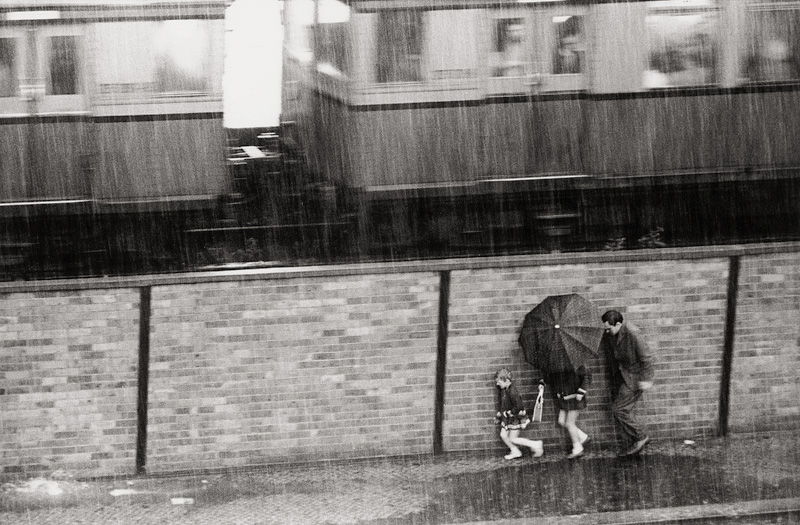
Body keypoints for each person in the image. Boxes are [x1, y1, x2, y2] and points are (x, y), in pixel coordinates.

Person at [601, 310, 655, 457]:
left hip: (634, 378)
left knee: (619, 409)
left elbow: (647, 358)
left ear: (618, 324)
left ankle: (641, 437)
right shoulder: (614, 333)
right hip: (623, 375)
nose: (606, 331)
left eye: (608, 328)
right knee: (621, 409)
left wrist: (647, 379)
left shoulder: (633, 334)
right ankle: (632, 444)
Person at [494, 368, 544, 460]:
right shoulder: (504, 389)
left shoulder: (513, 392)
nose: (497, 384)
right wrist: (500, 412)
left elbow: (518, 406)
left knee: (513, 438)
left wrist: (508, 413)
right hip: (508, 418)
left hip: (515, 418)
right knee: (503, 435)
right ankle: (515, 451)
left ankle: (535, 444)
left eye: (499, 382)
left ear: (507, 381)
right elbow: (502, 402)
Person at [542, 366, 591, 459]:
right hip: (564, 399)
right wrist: (543, 381)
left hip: (574, 397)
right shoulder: (557, 362)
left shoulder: (575, 362)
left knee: (569, 423)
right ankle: (583, 437)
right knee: (561, 421)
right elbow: (551, 376)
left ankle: (578, 449)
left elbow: (587, 375)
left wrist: (582, 391)